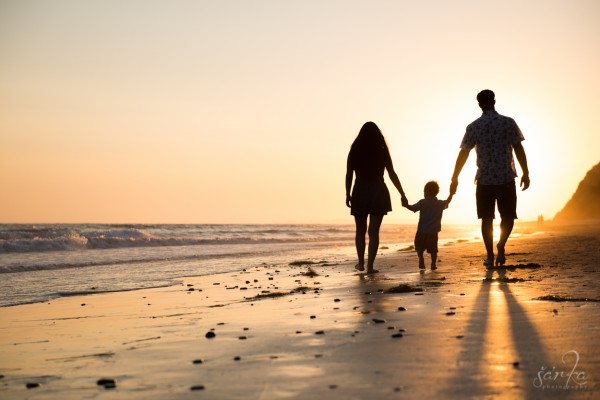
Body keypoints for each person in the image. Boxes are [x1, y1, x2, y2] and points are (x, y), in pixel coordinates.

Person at [450, 89, 530, 268]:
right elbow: (518, 148)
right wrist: (526, 172)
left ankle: (489, 256)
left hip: (485, 180)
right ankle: (501, 244)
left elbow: (463, 153)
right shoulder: (508, 122)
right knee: (508, 216)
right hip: (506, 178)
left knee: (486, 219)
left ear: (479, 104)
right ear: (494, 101)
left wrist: (455, 177)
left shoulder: (473, 126)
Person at [346, 121, 407, 274]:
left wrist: (347, 193)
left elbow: (349, 174)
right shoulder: (382, 149)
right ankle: (370, 266)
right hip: (378, 191)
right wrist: (402, 193)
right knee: (374, 232)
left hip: (360, 190)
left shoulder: (355, 149)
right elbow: (392, 173)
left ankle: (360, 263)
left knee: (360, 230)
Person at [402, 181, 453, 270]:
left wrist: (406, 205)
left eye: (424, 191)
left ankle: (421, 259)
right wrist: (451, 194)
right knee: (433, 250)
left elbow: (413, 208)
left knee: (419, 247)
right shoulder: (439, 203)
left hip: (422, 231)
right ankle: (433, 264)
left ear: (427, 191)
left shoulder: (422, 202)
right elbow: (447, 201)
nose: (424, 193)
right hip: (433, 232)